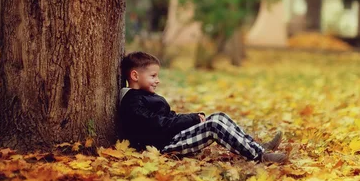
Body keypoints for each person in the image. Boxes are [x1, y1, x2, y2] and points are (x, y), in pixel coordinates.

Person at [119, 51, 287, 164]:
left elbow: (167, 118)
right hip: (162, 146)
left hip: (170, 137)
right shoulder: (133, 102)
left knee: (218, 117)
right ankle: (260, 156)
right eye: (153, 76)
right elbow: (158, 124)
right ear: (135, 75)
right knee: (213, 126)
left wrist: (192, 118)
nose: (158, 80)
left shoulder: (144, 96)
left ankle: (257, 145)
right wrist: (190, 119)